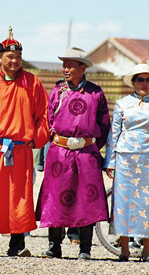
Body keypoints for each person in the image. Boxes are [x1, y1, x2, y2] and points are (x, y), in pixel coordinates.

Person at [0, 27, 49, 257]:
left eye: (18, 57)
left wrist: (36, 141)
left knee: (19, 197)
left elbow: (44, 114)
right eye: (10, 57)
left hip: (19, 149)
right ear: (0, 57)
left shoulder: (32, 82)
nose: (14, 61)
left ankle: (16, 245)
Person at [37, 47, 110, 260]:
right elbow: (49, 120)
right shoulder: (57, 91)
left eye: (70, 65)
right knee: (55, 197)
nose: (65, 69)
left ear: (83, 67)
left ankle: (85, 248)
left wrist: (90, 144)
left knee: (87, 198)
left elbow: (104, 124)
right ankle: (54, 246)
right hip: (59, 152)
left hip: (86, 152)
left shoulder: (96, 93)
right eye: (64, 65)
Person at [104, 63, 149, 262]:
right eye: (140, 79)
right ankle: (124, 249)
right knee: (124, 202)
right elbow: (114, 134)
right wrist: (110, 161)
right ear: (133, 82)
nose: (144, 83)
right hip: (126, 159)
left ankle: (146, 251)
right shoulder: (122, 103)